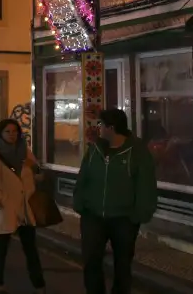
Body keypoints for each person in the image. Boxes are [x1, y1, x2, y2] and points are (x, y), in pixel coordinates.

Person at [73, 109, 157, 294]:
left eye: (100, 124)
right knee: (91, 261)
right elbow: (83, 175)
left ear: (111, 127)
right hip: (93, 215)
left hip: (124, 218)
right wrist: (79, 202)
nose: (98, 128)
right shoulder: (95, 149)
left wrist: (139, 214)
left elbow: (146, 184)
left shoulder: (137, 151)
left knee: (123, 264)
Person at [0, 119, 46, 293]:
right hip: (4, 207)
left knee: (31, 248)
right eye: (7, 132)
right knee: (1, 249)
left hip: (25, 207)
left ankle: (39, 284)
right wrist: (0, 200)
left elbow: (37, 171)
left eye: (14, 131)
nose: (12, 135)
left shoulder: (25, 152)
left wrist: (35, 171)